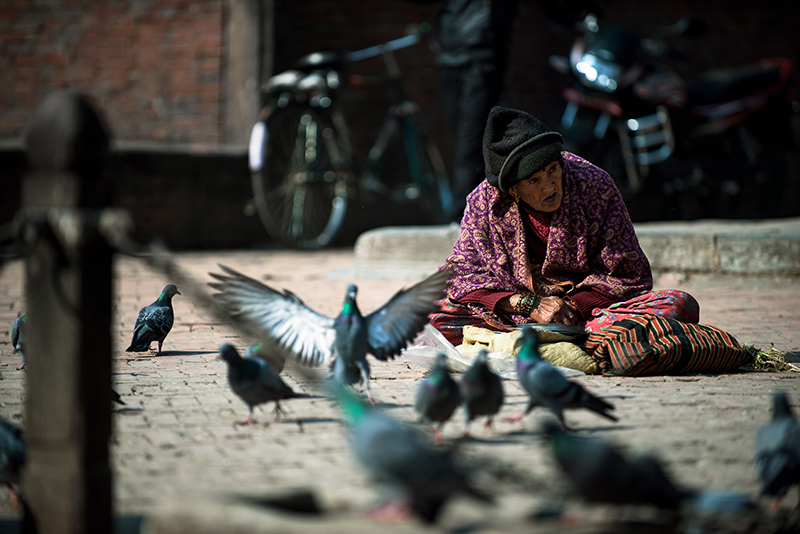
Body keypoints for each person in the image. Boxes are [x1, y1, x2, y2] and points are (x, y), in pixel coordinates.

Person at [430, 106, 699, 345]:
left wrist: (569, 310)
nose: (550, 186)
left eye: (553, 170)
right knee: (427, 313)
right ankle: (563, 342)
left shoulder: (594, 186)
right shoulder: (484, 202)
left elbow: (628, 275)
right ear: (513, 189)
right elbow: (459, 273)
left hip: (584, 317)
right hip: (514, 315)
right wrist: (527, 305)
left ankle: (539, 342)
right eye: (535, 181)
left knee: (677, 304)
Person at [410, 0, 518, 222]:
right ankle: (477, 208)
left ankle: (463, 215)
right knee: (462, 138)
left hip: (482, 55)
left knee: (470, 141)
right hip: (450, 53)